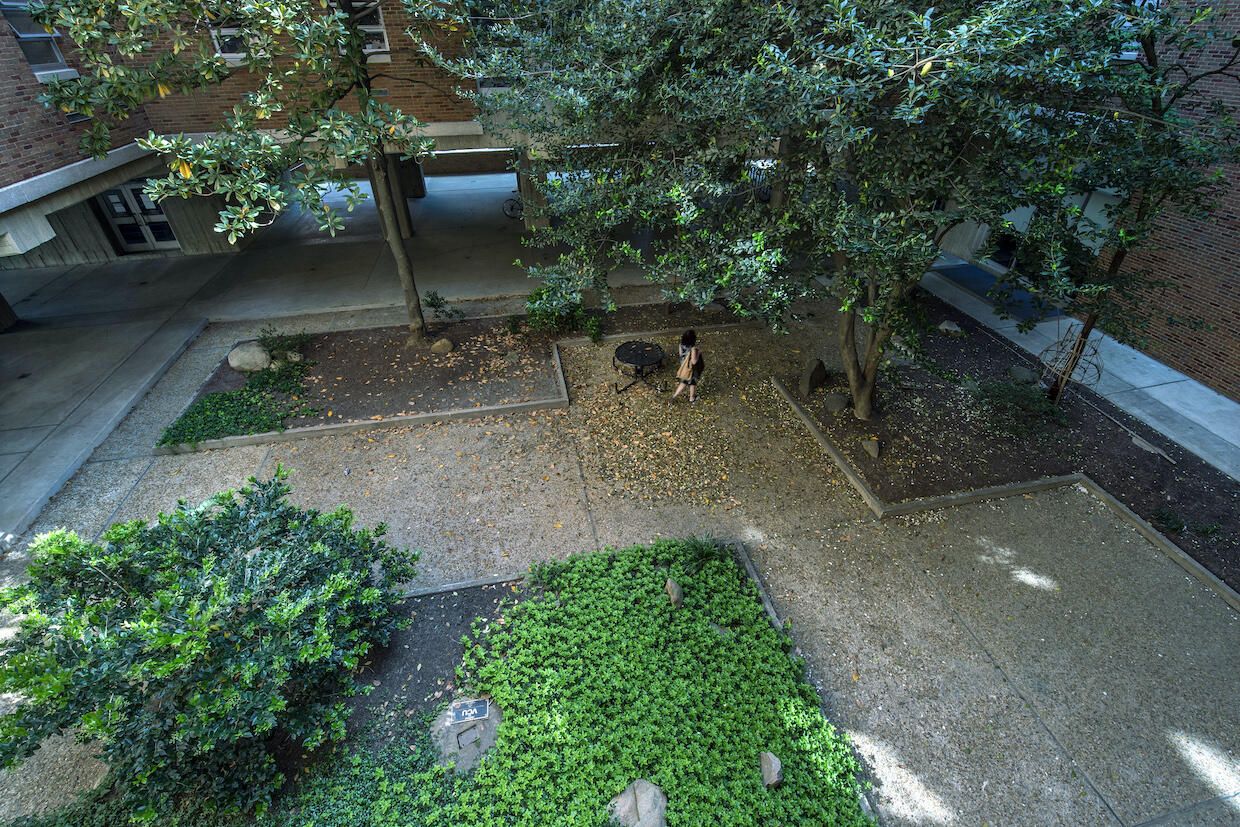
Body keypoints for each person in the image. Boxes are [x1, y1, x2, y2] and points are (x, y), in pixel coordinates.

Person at [671, 329, 705, 402]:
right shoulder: (693, 349)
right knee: (692, 383)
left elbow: (680, 355)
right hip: (691, 369)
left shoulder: (681, 345)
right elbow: (694, 361)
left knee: (683, 382)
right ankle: (692, 398)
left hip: (683, 366)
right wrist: (699, 353)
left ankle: (674, 396)